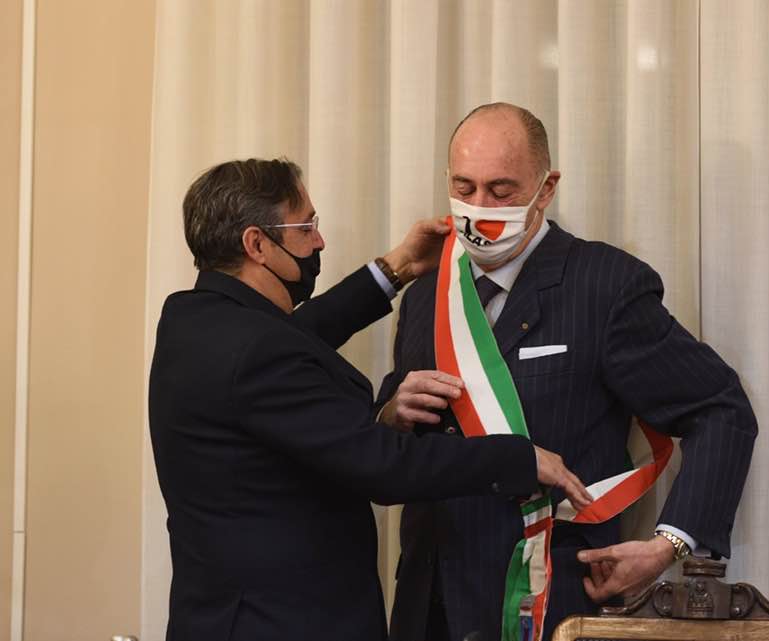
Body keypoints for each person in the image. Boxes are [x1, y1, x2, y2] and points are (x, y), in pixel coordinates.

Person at [148, 158, 592, 641]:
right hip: (280, 622)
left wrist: (397, 268)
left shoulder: (194, 321)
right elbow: (384, 465)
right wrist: (519, 458)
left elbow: (295, 335)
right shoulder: (254, 350)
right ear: (256, 244)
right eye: (306, 227)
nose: (320, 241)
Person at [377, 103, 759, 641]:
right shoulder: (425, 295)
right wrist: (392, 413)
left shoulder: (604, 286)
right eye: (464, 187)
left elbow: (720, 410)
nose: (479, 208)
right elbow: (391, 442)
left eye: (501, 190)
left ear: (546, 188)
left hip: (551, 601)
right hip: (429, 605)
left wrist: (668, 546)